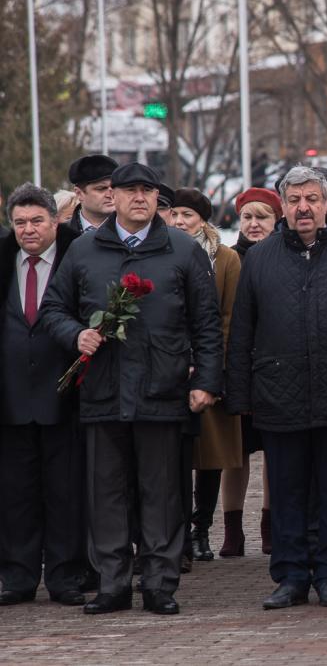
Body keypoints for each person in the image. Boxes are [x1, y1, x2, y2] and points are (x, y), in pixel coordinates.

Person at [41, 162, 222, 615]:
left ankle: (160, 584)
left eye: (148, 190)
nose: (139, 197)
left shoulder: (181, 250)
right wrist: (76, 334)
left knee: (161, 494)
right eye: (130, 190)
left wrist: (207, 382)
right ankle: (113, 584)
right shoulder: (84, 250)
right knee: (107, 495)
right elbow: (54, 309)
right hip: (102, 393)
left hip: (162, 391)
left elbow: (207, 324)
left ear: (158, 199)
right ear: (113, 197)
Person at [226, 167, 327, 610]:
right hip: (279, 393)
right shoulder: (259, 258)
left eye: (312, 198)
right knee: (287, 491)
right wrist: (240, 398)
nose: (303, 208)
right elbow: (242, 332)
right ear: (283, 205)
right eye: (294, 199)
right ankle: (291, 576)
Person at [0, 184, 86, 606]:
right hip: (11, 400)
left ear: (55, 221)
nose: (28, 230)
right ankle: (17, 577)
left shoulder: (77, 259)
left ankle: (65, 576)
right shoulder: (4, 261)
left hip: (64, 397)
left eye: (37, 221)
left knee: (65, 493)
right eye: (20, 223)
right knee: (15, 496)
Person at [168, 189, 243, 564]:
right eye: (174, 213)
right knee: (175, 456)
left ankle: (201, 529)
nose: (180, 221)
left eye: (188, 215)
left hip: (211, 370)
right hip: (171, 369)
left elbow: (230, 317)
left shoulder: (226, 258)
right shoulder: (160, 251)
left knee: (210, 458)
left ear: (203, 220)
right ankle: (177, 531)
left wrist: (212, 365)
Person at [221, 187, 281, 556]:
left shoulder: (281, 257)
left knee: (273, 451)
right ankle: (231, 529)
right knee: (235, 453)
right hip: (238, 367)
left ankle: (269, 526)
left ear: (277, 221)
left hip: (273, 367)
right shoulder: (229, 259)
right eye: (248, 217)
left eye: (263, 217)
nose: (255, 224)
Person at [66, 154, 118, 234]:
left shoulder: (133, 231)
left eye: (114, 187)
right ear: (79, 193)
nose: (110, 195)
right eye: (101, 189)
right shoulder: (60, 234)